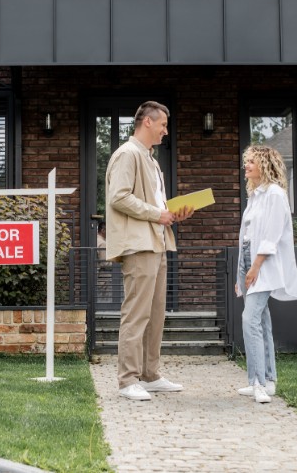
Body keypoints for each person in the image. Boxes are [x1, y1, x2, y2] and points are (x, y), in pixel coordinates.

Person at [105, 101, 193, 401]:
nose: (166, 131)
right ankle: (127, 379)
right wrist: (158, 214)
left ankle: (150, 374)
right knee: (136, 313)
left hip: (157, 242)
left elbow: (155, 205)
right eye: (163, 125)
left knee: (156, 314)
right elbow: (118, 197)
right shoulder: (127, 154)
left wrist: (172, 213)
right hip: (138, 244)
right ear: (147, 123)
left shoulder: (151, 160)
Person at [235, 144, 297, 404]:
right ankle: (269, 379)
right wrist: (242, 269)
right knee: (261, 321)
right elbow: (246, 237)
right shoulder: (255, 196)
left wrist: (255, 266)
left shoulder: (274, 194)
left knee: (249, 320)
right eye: (246, 161)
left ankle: (258, 383)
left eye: (251, 161)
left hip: (262, 262)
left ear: (264, 165)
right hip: (249, 259)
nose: (246, 166)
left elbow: (272, 236)